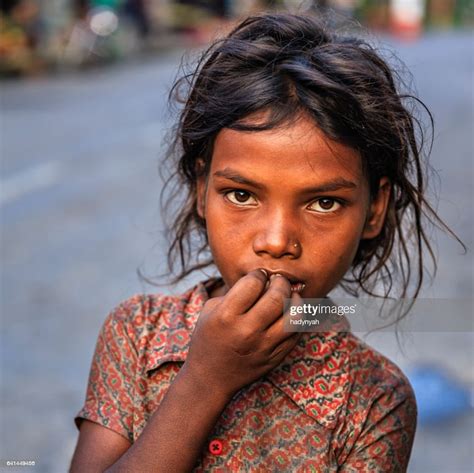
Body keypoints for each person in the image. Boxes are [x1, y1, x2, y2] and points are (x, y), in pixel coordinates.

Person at [70, 12, 454, 472]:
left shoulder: (374, 397)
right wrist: (204, 383)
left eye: (324, 204)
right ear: (201, 190)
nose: (276, 242)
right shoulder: (138, 334)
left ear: (373, 209)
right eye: (241, 195)